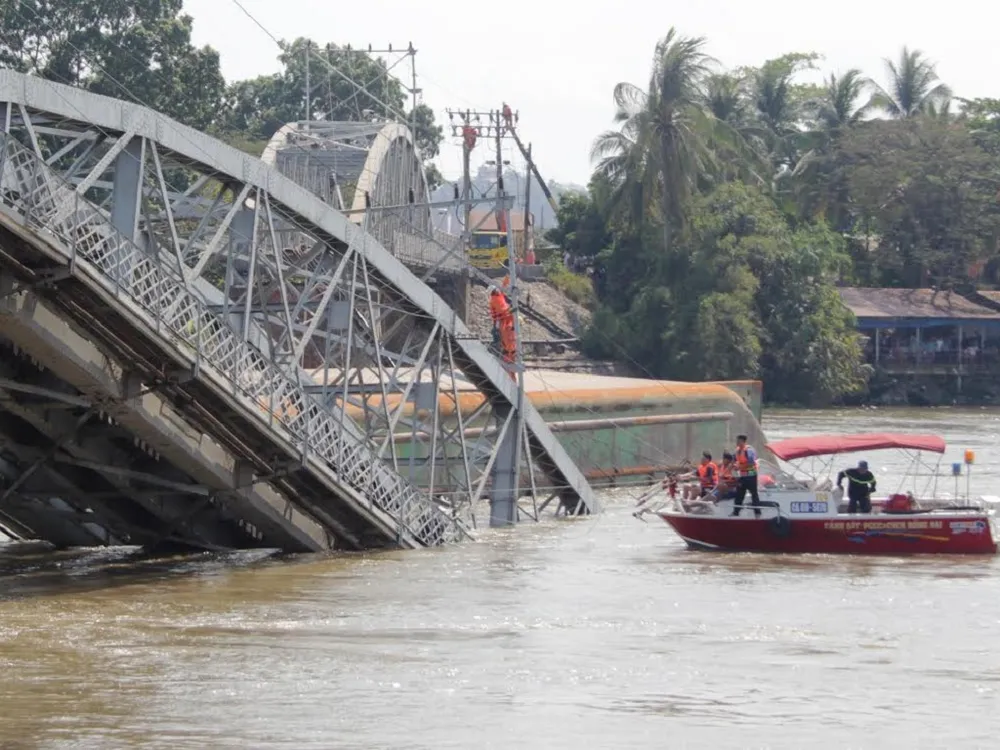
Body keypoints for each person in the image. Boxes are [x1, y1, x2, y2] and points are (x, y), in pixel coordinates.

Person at [732, 434, 762, 517]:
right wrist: (734, 467)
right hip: (742, 476)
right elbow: (733, 460)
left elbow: (751, 462)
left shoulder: (749, 450)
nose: (736, 442)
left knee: (754, 494)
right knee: (739, 494)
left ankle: (757, 513)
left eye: (738, 441)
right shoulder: (737, 450)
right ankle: (736, 512)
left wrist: (740, 467)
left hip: (751, 476)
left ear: (742, 441)